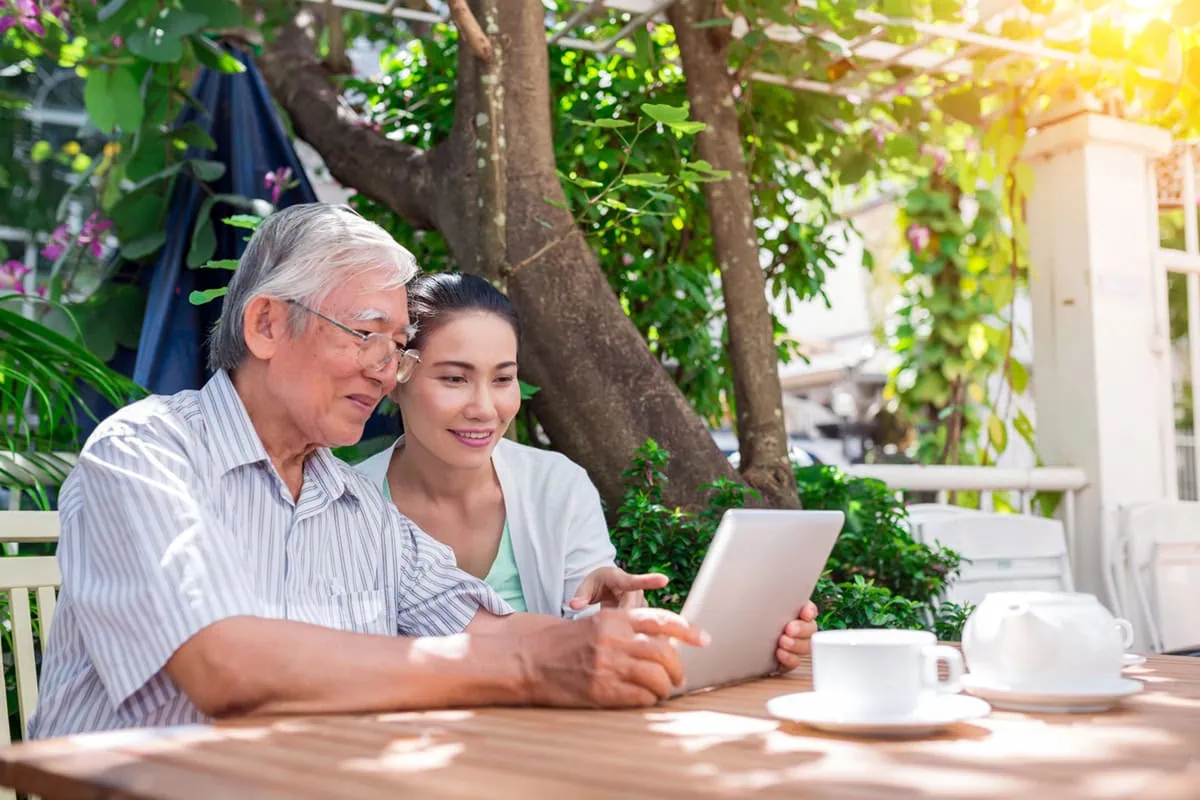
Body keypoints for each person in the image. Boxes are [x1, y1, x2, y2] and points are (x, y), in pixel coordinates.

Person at [26, 203, 710, 740]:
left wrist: (645, 641)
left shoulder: (351, 502)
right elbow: (222, 665)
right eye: (366, 335)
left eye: (397, 348)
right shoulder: (146, 452)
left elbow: (490, 632)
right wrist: (538, 663)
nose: (386, 371)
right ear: (267, 325)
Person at [354, 272, 819, 671]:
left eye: (502, 379)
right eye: (454, 378)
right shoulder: (349, 505)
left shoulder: (556, 486)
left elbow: (592, 643)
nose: (484, 408)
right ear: (398, 378)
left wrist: (611, 622)